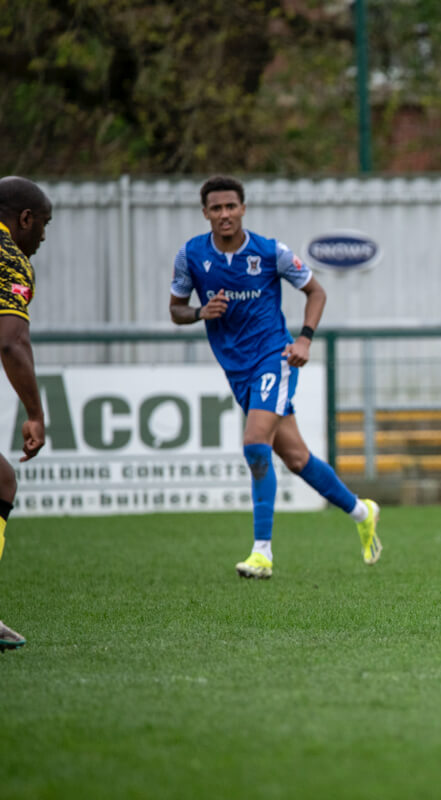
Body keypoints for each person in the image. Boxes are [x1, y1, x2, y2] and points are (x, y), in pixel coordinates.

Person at [169, 175, 381, 579]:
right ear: (205, 213)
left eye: (231, 206)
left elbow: (316, 292)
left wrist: (304, 339)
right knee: (296, 457)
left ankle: (261, 553)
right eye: (216, 208)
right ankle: (361, 511)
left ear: (243, 208)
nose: (225, 214)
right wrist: (199, 312)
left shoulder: (270, 252)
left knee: (254, 443)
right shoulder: (191, 256)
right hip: (237, 368)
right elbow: (176, 309)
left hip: (274, 357)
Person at [0, 177, 52, 651]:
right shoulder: (9, 258)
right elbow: (11, 340)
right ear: (25, 220)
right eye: (43, 227)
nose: (41, 240)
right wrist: (35, 412)